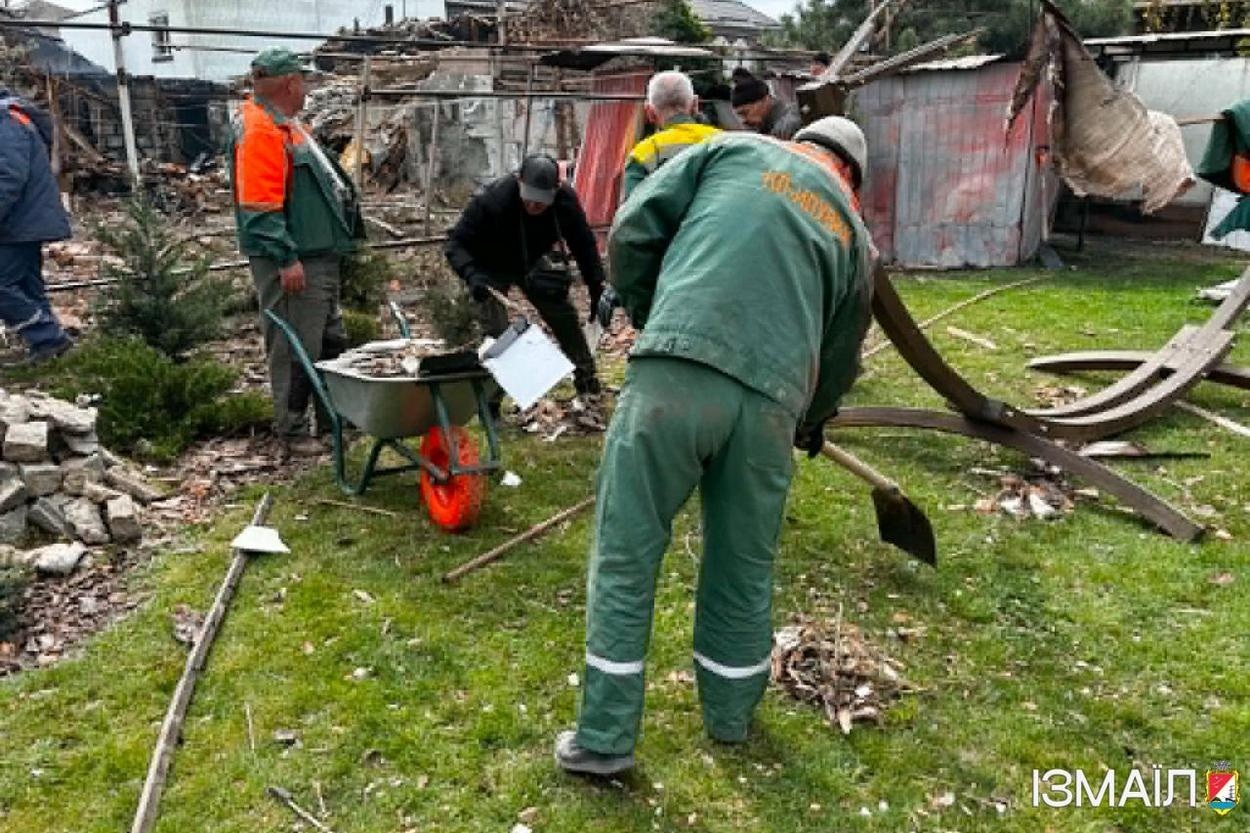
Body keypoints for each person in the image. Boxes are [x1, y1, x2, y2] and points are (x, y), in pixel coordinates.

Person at [555, 117, 875, 775]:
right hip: (771, 408)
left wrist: (653, 311)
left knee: (626, 548)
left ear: (801, 139)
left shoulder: (730, 149)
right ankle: (730, 717)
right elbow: (844, 351)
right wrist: (812, 418)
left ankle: (605, 737)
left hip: (673, 375)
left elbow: (634, 228)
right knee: (742, 562)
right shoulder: (852, 232)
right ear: (852, 175)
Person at [228, 48, 364, 454]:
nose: (307, 87)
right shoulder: (261, 132)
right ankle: (293, 431)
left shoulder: (285, 125)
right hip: (294, 259)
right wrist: (286, 258)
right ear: (290, 83)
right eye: (303, 80)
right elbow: (260, 209)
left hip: (315, 255)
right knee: (294, 346)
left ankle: (333, 420)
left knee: (328, 341)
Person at [445, 154, 606, 400]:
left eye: (541, 201)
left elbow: (583, 243)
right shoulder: (492, 199)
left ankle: (586, 380)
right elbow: (455, 244)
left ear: (556, 190)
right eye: (529, 198)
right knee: (497, 334)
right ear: (519, 181)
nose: (533, 206)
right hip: (488, 265)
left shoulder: (565, 202)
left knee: (563, 317)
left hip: (531, 260)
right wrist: (471, 274)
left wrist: (595, 285)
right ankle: (492, 401)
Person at [0, 87, 74, 364]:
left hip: (18, 223)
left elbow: (8, 178)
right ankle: (50, 345)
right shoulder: (12, 118)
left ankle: (47, 337)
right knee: (27, 286)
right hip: (24, 221)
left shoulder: (6, 122)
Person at [622, 70, 721, 201]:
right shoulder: (724, 141)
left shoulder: (642, 155)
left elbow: (632, 210)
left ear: (649, 112)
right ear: (695, 105)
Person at [731, 73, 802, 140]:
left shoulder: (788, 125)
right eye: (740, 116)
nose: (743, 121)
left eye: (745, 113)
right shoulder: (766, 127)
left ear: (765, 100)